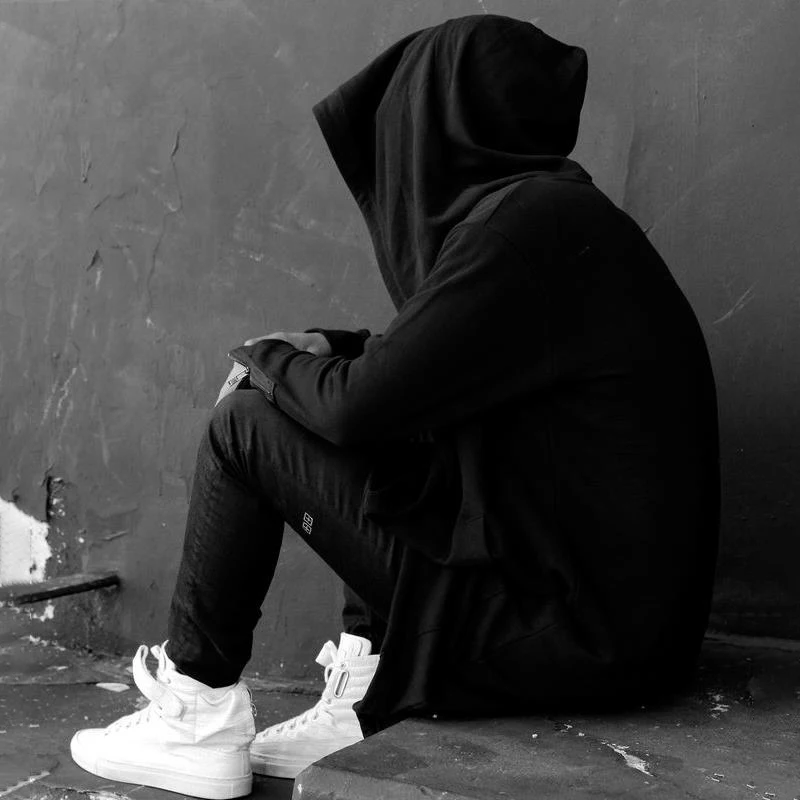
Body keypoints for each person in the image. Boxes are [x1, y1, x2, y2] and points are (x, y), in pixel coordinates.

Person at [70, 14, 720, 799]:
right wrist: (325, 346)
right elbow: (428, 364)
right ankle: (366, 689)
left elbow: (359, 409)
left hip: (567, 641)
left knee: (246, 426)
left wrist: (261, 361)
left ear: (441, 118)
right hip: (609, 635)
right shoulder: (557, 219)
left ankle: (195, 715)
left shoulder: (525, 227)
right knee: (375, 418)